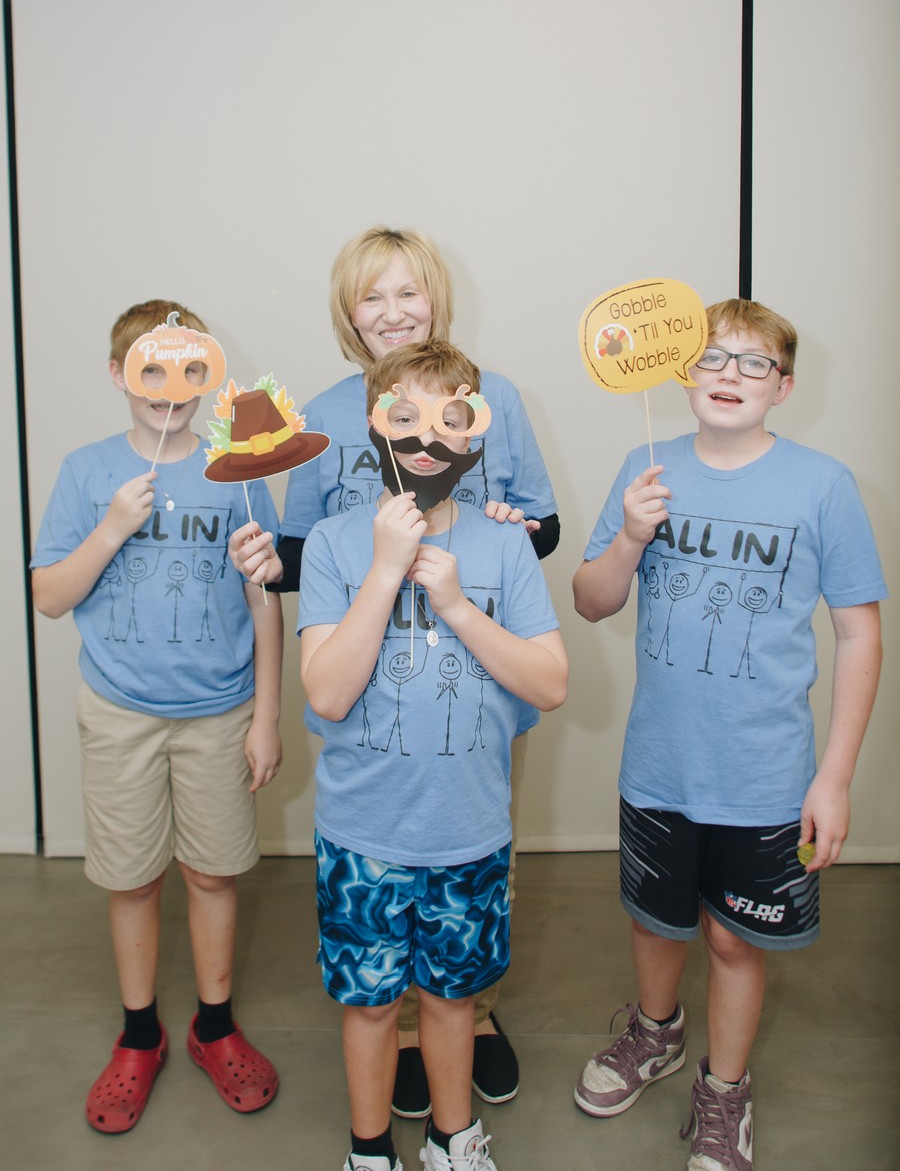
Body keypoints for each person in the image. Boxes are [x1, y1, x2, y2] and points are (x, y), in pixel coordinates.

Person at [230, 225, 559, 1115]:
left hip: (476, 687)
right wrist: (266, 559)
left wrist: (506, 525)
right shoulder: (319, 412)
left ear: (436, 300)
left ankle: (469, 1013)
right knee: (382, 876)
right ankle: (402, 1030)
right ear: (348, 313)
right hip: (367, 693)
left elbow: (541, 526)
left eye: (408, 291)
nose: (392, 311)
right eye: (371, 296)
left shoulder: (498, 399)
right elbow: (302, 555)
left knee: (472, 862)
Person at [571, 299, 885, 1170]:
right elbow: (591, 600)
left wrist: (834, 778)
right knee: (655, 922)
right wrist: (631, 535)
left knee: (733, 938)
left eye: (754, 362)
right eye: (711, 357)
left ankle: (725, 1088)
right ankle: (655, 1031)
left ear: (784, 387)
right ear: (682, 371)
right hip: (659, 766)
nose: (730, 375)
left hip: (767, 777)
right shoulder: (647, 465)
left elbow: (860, 634)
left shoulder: (823, 485)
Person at [298, 338, 568, 1171]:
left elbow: (551, 681)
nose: (427, 437)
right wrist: (385, 572)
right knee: (372, 1005)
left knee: (454, 1000)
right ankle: (370, 1150)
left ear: (475, 432)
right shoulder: (332, 544)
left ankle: (455, 1139)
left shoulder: (505, 546)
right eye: (405, 416)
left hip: (469, 832)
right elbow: (327, 693)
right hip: (363, 835)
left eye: (451, 418)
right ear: (373, 427)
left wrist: (455, 605)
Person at [31, 299, 283, 1134]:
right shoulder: (86, 470)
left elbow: (265, 597)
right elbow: (49, 596)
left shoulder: (237, 468)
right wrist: (112, 527)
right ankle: (140, 1034)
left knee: (212, 873)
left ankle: (215, 1025)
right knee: (133, 878)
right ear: (119, 374)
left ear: (209, 375)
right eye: (149, 367)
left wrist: (266, 716)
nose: (169, 386)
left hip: (220, 713)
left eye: (189, 368)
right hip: (119, 712)